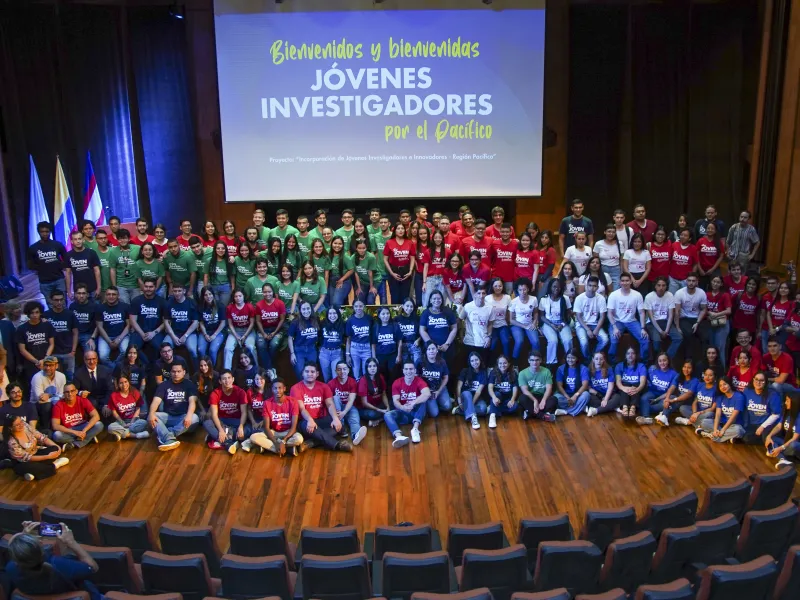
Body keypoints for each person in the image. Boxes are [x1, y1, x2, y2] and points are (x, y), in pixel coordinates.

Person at [6, 524, 100, 600]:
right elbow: (93, 567)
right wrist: (71, 542)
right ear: (41, 545)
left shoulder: (10, 568)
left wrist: (23, 536)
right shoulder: (60, 565)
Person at [292, 363, 352, 452]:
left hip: (320, 419)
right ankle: (337, 445)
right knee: (313, 428)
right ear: (302, 373)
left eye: (312, 372)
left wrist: (335, 418)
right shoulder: (295, 388)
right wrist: (310, 420)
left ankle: (310, 443)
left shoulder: (324, 386)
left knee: (336, 425)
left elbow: (330, 404)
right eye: (307, 371)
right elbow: (302, 408)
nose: (309, 374)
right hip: (304, 421)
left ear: (317, 374)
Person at [148, 361, 200, 451]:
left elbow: (192, 402)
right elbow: (156, 401)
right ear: (170, 372)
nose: (176, 374)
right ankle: (169, 438)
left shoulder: (190, 384)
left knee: (195, 418)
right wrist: (152, 413)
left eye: (179, 371)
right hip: (168, 417)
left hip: (184, 419)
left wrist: (188, 415)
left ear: (184, 372)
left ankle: (166, 435)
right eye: (174, 371)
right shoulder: (164, 385)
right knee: (151, 415)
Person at [249, 377, 304, 456]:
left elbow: (294, 427)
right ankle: (288, 449)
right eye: (275, 388)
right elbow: (266, 428)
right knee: (253, 437)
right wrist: (276, 442)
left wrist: (283, 441)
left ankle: (271, 447)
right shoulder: (267, 403)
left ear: (284, 389)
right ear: (272, 389)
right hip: (274, 432)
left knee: (299, 439)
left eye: (280, 388)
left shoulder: (293, 401)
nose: (277, 390)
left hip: (288, 432)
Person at [3, 415, 67, 481]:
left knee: (54, 448)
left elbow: (42, 437)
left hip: (36, 452)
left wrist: (57, 446)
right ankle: (55, 465)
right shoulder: (11, 441)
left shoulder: (26, 426)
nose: (21, 425)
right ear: (10, 428)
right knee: (29, 466)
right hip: (23, 462)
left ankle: (33, 473)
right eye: (17, 425)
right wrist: (48, 457)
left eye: (21, 421)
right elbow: (27, 458)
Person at [607, 272, 649, 363]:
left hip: (632, 321)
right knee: (614, 340)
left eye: (627, 281)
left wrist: (643, 328)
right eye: (623, 281)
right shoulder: (613, 295)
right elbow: (609, 313)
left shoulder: (637, 295)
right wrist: (614, 327)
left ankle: (643, 362)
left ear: (630, 282)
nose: (625, 283)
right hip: (617, 321)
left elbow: (641, 312)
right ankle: (612, 362)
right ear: (619, 282)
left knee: (645, 339)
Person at [204, 369, 249, 454]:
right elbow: (214, 415)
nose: (227, 381)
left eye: (229, 378)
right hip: (222, 420)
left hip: (236, 421)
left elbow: (244, 412)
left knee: (247, 430)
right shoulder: (215, 393)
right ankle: (228, 442)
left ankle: (217, 437)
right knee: (207, 423)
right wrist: (221, 430)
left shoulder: (241, 392)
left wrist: (241, 426)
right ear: (220, 381)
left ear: (233, 379)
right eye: (224, 379)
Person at [386, 361, 430, 447]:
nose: (408, 371)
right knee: (387, 415)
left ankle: (415, 429)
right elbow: (395, 401)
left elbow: (427, 393)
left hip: (416, 413)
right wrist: (402, 407)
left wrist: (413, 403)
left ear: (415, 370)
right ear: (403, 371)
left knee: (423, 401)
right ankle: (399, 437)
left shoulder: (419, 381)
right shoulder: (397, 382)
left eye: (411, 369)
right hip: (403, 413)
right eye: (406, 369)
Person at [51, 383, 104, 449]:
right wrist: (75, 432)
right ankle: (89, 438)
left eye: (72, 391)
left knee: (99, 425)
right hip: (69, 430)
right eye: (67, 392)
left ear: (76, 391)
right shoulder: (58, 405)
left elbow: (96, 416)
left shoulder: (82, 400)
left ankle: (74, 444)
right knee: (57, 435)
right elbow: (55, 425)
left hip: (84, 427)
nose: (70, 394)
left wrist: (84, 431)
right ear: (64, 394)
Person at [27, 221, 67, 309]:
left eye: (47, 231)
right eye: (42, 232)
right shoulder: (33, 248)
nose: (45, 234)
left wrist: (60, 266)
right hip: (44, 282)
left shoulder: (57, 245)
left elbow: (66, 258)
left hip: (59, 279)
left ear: (50, 232)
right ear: (39, 232)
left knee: (63, 303)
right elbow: (30, 264)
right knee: (51, 305)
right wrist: (41, 268)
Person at [327, 361, 368, 445]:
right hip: (336, 407)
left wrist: (344, 412)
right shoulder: (331, 383)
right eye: (339, 369)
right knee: (335, 398)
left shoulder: (353, 382)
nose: (342, 371)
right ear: (336, 371)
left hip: (349, 406)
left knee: (355, 420)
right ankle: (341, 428)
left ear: (348, 370)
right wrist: (337, 414)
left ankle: (355, 435)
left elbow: (351, 400)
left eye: (344, 369)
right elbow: (329, 402)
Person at [16, 301, 56, 385]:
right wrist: (36, 362)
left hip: (47, 361)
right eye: (32, 313)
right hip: (30, 364)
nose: (34, 315)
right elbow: (22, 350)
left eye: (37, 312)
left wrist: (45, 359)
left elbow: (51, 344)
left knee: (50, 385)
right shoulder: (21, 329)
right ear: (28, 314)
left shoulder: (47, 325)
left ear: (40, 312)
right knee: (34, 386)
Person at [697, 376, 746, 443]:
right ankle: (725, 437)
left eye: (725, 384)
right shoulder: (720, 397)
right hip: (722, 424)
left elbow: (733, 417)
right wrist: (715, 429)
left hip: (734, 425)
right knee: (704, 422)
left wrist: (723, 430)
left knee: (738, 431)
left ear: (729, 384)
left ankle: (711, 435)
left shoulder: (739, 397)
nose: (723, 387)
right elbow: (717, 415)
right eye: (720, 386)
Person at [43, 290, 78, 381]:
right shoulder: (45, 315)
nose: (59, 302)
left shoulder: (70, 314)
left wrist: (73, 351)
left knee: (70, 378)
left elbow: (75, 333)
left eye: (61, 300)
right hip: (53, 353)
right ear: (51, 301)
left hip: (68, 352)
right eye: (56, 300)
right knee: (53, 379)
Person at [644, 276, 682, 359]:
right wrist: (661, 331)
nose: (661, 288)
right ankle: (658, 360)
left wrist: (667, 330)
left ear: (666, 286)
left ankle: (666, 358)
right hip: (652, 323)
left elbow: (671, 315)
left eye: (663, 285)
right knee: (657, 340)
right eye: (659, 285)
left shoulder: (670, 295)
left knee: (679, 338)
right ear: (655, 286)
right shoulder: (649, 297)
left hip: (665, 321)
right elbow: (651, 317)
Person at [674, 273, 709, 362]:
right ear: (686, 281)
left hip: (697, 318)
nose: (691, 283)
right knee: (689, 334)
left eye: (693, 281)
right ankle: (688, 360)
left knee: (705, 336)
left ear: (697, 282)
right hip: (684, 318)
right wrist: (677, 327)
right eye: (689, 280)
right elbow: (677, 311)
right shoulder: (679, 293)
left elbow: (703, 309)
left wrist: (697, 322)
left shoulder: (701, 293)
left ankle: (705, 360)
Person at [573, 276, 609, 361]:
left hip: (595, 324)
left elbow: (602, 316)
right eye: (590, 285)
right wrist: (588, 330)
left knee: (605, 339)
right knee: (584, 342)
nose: (592, 288)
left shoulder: (601, 298)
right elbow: (578, 317)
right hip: (581, 325)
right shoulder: (579, 298)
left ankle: (593, 356)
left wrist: (596, 329)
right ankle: (587, 359)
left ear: (597, 287)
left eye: (594, 286)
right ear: (586, 286)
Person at [128, 279, 166, 358]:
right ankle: (145, 364)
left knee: (158, 347)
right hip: (139, 331)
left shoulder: (162, 301)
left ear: (155, 287)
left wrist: (154, 333)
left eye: (151, 287)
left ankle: (154, 365)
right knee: (132, 348)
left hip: (156, 332)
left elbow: (165, 322)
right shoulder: (136, 301)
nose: (148, 289)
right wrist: (142, 334)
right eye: (146, 286)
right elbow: (132, 320)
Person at [106, 371, 149, 441]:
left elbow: (138, 409)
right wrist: (122, 423)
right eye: (121, 383)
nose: (124, 385)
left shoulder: (135, 392)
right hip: (120, 421)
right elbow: (114, 412)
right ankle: (136, 435)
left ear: (129, 382)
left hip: (134, 420)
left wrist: (132, 422)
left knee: (144, 423)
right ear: (118, 384)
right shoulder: (114, 395)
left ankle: (121, 434)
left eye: (125, 382)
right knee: (110, 427)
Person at [637, 353, 678, 425]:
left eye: (664, 360)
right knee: (644, 398)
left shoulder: (674, 374)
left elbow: (670, 391)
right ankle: (646, 418)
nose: (662, 363)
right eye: (660, 361)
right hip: (652, 392)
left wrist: (656, 400)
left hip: (664, 396)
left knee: (664, 403)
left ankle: (645, 409)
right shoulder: (653, 369)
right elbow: (646, 379)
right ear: (657, 362)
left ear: (668, 361)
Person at [539, 278, 572, 365]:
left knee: (567, 340)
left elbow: (568, 315)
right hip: (548, 323)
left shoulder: (565, 299)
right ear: (550, 287)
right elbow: (542, 316)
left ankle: (570, 361)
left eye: (559, 287)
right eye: (554, 287)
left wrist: (562, 324)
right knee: (553, 341)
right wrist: (551, 325)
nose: (556, 289)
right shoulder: (544, 299)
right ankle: (551, 363)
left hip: (562, 323)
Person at [95, 286, 130, 369]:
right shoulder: (100, 308)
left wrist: (119, 339)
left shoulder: (125, 306)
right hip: (105, 337)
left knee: (125, 351)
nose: (111, 296)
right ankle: (114, 369)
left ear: (118, 296)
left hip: (122, 335)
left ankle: (116, 366)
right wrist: (109, 341)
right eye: (108, 294)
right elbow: (99, 327)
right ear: (105, 296)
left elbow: (129, 325)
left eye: (113, 294)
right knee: (103, 356)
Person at [458, 284, 493, 365]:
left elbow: (490, 324)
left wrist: (489, 337)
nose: (481, 296)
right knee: (470, 365)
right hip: (469, 341)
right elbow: (459, 320)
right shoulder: (468, 306)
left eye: (483, 293)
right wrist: (461, 335)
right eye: (479, 293)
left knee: (483, 364)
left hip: (483, 341)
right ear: (474, 295)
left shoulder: (490, 308)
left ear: (486, 295)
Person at [743, 371, 782, 445]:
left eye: (761, 380)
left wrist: (763, 426)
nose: (758, 382)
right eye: (756, 379)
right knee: (746, 438)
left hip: (768, 425)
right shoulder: (747, 391)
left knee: (765, 437)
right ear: (753, 380)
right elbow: (744, 409)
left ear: (766, 382)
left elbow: (776, 414)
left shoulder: (772, 394)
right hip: (753, 424)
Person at [254, 284, 285, 374]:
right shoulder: (259, 305)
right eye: (265, 292)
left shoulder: (280, 303)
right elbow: (258, 321)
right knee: (260, 345)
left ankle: (267, 370)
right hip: (263, 330)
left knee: (273, 345)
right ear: (262, 293)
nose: (267, 294)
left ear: (273, 292)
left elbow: (282, 319)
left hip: (277, 330)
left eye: (269, 292)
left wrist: (274, 332)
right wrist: (263, 334)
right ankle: (270, 370)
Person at [517, 351, 556, 423]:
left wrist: (543, 400)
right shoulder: (522, 373)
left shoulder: (546, 371)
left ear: (540, 360)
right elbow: (525, 391)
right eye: (532, 360)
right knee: (522, 398)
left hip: (542, 396)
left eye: (537, 360)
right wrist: (535, 401)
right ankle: (543, 415)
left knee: (553, 399)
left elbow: (549, 388)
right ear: (528, 361)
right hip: (530, 397)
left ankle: (530, 413)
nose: (534, 362)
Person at [419, 290, 458, 362]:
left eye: (439, 298)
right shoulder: (426, 313)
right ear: (430, 300)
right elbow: (422, 330)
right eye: (434, 298)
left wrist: (447, 344)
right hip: (431, 350)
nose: (436, 300)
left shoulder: (448, 311)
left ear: (442, 300)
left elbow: (454, 328)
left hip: (447, 348)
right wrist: (431, 345)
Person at [416, 341, 452, 418]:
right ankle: (433, 403)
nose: (431, 351)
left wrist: (438, 391)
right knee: (434, 413)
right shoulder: (420, 361)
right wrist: (425, 391)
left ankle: (438, 401)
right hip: (427, 390)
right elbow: (416, 378)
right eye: (429, 349)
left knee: (448, 407)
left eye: (433, 348)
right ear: (426, 351)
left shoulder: (442, 362)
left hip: (439, 387)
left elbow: (446, 377)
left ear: (437, 350)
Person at [223, 288, 256, 370]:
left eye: (240, 296)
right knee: (228, 348)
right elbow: (230, 324)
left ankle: (255, 370)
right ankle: (227, 371)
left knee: (251, 347)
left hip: (248, 331)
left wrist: (245, 336)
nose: (238, 298)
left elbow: (252, 323)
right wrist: (236, 336)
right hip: (235, 330)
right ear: (233, 298)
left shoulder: (249, 306)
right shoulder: (230, 307)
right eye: (236, 296)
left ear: (243, 296)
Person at [453, 351, 488, 429]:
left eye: (476, 360)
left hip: (476, 397)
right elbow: (458, 387)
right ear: (470, 362)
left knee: (483, 410)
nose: (474, 362)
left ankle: (459, 411)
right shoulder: (465, 371)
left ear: (480, 360)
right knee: (467, 393)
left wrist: (471, 404)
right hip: (464, 396)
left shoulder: (483, 373)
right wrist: (459, 401)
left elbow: (478, 391)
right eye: (472, 361)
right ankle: (474, 418)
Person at [765, 393, 800, 469]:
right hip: (787, 443)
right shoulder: (787, 412)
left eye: (787, 401)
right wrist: (769, 436)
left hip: (796, 444)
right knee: (771, 438)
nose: (785, 403)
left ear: (795, 403)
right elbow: (779, 426)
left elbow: (795, 438)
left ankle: (777, 453)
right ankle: (782, 459)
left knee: (793, 445)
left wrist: (780, 448)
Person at [288, 301, 320, 381]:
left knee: (312, 373)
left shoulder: (316, 319)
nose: (306, 311)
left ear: (311, 309)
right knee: (300, 373)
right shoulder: (295, 322)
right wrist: (292, 353)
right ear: (300, 310)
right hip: (299, 350)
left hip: (312, 349)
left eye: (308, 308)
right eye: (304, 309)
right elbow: (290, 338)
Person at [30, 356, 66, 427]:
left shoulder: (61, 376)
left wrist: (49, 395)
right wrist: (56, 396)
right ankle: (46, 428)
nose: (48, 368)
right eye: (46, 365)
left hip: (55, 401)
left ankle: (63, 426)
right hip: (36, 405)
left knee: (63, 403)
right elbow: (40, 399)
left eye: (51, 365)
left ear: (56, 366)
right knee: (47, 405)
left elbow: (62, 395)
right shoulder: (37, 377)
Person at [705, 275, 733, 369]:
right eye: (714, 281)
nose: (715, 284)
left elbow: (729, 311)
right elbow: (703, 308)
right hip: (710, 324)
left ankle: (721, 372)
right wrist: (709, 313)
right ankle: (711, 371)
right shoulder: (707, 294)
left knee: (720, 349)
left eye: (718, 282)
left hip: (722, 324)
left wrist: (716, 314)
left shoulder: (725, 295)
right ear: (711, 282)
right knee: (711, 350)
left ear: (721, 284)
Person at [64, 230, 101, 300]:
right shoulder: (68, 255)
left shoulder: (91, 252)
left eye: (79, 239)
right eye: (75, 239)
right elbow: (68, 274)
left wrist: (99, 288)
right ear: (72, 241)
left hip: (92, 289)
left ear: (83, 240)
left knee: (95, 307)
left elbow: (97, 271)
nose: (78, 241)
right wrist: (68, 291)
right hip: (78, 290)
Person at [487, 354, 520, 428]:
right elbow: (490, 387)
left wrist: (512, 400)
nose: (502, 365)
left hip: (507, 400)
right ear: (497, 364)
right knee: (497, 394)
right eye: (500, 363)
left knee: (515, 406)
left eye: (505, 363)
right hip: (497, 397)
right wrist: (494, 397)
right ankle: (492, 416)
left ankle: (493, 409)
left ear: (509, 364)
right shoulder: (493, 372)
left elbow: (515, 388)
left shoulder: (513, 373)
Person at [554, 349, 590, 417]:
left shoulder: (583, 369)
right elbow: (559, 386)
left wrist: (575, 396)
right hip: (565, 396)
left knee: (586, 395)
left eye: (573, 358)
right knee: (555, 397)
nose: (570, 360)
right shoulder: (560, 369)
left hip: (578, 395)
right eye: (568, 357)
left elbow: (585, 385)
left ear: (577, 358)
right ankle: (580, 408)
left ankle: (565, 411)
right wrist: (568, 398)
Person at [586, 351, 623, 417]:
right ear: (593, 359)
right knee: (589, 398)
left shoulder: (609, 369)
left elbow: (610, 388)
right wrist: (600, 396)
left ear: (604, 360)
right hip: (597, 395)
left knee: (618, 398)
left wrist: (605, 399)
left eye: (601, 359)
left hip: (609, 394)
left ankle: (595, 411)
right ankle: (612, 407)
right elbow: (589, 388)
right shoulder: (588, 370)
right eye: (596, 359)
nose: (599, 361)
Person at [357, 357, 391, 427]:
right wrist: (380, 410)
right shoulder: (363, 380)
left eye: (374, 366)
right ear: (366, 368)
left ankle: (378, 420)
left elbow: (384, 394)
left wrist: (387, 407)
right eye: (370, 366)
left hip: (378, 405)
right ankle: (384, 417)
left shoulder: (380, 377)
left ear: (377, 367)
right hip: (366, 408)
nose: (372, 368)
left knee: (393, 404)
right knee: (372, 414)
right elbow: (365, 403)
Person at [109, 230, 140, 304]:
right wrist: (114, 287)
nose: (122, 240)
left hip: (136, 285)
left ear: (129, 238)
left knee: (136, 307)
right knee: (125, 307)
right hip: (121, 286)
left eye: (125, 238)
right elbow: (112, 269)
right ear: (117, 239)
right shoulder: (113, 251)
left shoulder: (137, 248)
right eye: (120, 238)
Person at [614, 347, 647, 418]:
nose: (630, 355)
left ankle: (633, 407)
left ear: (636, 355)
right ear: (625, 356)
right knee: (625, 384)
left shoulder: (641, 366)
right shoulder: (619, 366)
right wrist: (624, 388)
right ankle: (625, 407)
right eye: (628, 353)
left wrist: (637, 389)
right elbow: (618, 381)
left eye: (633, 353)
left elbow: (642, 382)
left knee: (636, 385)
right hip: (624, 387)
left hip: (637, 387)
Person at [372, 306, 401, 384]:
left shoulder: (395, 325)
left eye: (387, 313)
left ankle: (393, 391)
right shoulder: (375, 327)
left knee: (393, 376)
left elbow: (399, 341)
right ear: (379, 315)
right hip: (380, 356)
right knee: (382, 377)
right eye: (383, 314)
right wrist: (374, 357)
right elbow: (373, 344)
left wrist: (399, 355)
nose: (386, 316)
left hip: (393, 355)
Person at [345, 300, 373, 380]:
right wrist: (347, 355)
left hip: (366, 348)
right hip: (354, 348)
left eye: (360, 306)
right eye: (356, 306)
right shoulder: (350, 320)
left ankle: (366, 387)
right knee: (356, 373)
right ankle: (357, 387)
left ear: (364, 306)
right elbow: (348, 339)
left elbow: (372, 335)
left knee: (366, 373)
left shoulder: (369, 319)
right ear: (353, 307)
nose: (358, 308)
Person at [668, 228, 698, 295]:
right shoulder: (674, 245)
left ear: (690, 238)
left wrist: (692, 276)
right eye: (681, 235)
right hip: (673, 278)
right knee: (672, 297)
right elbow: (669, 259)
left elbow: (695, 264)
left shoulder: (693, 248)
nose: (683, 237)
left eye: (685, 235)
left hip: (685, 279)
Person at [696, 223, 725, 289]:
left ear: (715, 231)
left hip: (714, 269)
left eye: (712, 229)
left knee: (714, 288)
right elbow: (696, 256)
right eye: (708, 228)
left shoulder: (718, 242)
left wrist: (712, 269)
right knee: (701, 288)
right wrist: (700, 269)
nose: (710, 230)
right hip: (702, 269)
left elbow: (721, 256)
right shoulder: (701, 240)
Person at [765, 281, 793, 349]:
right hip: (772, 331)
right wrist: (771, 328)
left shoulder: (792, 304)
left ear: (789, 290)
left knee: (780, 350)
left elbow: (788, 320)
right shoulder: (775, 301)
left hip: (783, 331)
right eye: (781, 288)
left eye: (786, 288)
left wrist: (776, 329)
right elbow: (768, 314)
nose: (783, 290)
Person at [593, 224, 622, 289]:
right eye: (609, 231)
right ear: (605, 232)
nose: (611, 234)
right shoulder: (598, 244)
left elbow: (621, 260)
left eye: (613, 232)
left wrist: (622, 272)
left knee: (616, 289)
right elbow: (595, 259)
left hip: (616, 270)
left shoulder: (620, 244)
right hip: (602, 269)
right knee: (602, 289)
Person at [396, 298, 422, 366]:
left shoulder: (417, 318)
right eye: (407, 306)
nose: (409, 308)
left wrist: (418, 340)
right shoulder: (397, 319)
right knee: (406, 367)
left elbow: (423, 331)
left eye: (411, 306)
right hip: (402, 346)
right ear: (403, 306)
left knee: (417, 365)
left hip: (414, 344)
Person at [758, 275, 780, 354]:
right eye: (768, 283)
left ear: (778, 284)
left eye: (773, 283)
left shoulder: (782, 297)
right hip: (765, 329)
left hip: (779, 329)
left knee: (778, 352)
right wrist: (759, 330)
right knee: (765, 351)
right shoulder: (765, 297)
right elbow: (762, 314)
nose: (770, 285)